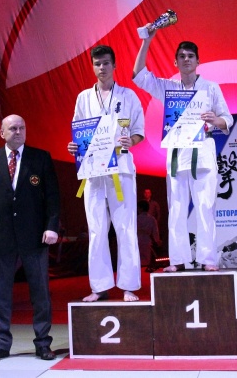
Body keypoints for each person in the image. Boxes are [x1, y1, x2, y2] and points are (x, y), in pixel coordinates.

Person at [133, 30, 233, 272]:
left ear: (198, 61)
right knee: (176, 209)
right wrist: (147, 40)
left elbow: (227, 119)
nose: (186, 59)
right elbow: (139, 75)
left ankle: (208, 259)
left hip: (203, 154)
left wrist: (215, 120)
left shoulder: (210, 88)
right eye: (182, 56)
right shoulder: (169, 88)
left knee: (205, 208)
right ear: (175, 62)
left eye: (190, 56)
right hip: (178, 155)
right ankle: (178, 260)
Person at [0, 114, 60, 363]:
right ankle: (1, 344)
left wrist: (52, 227)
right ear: (2, 133)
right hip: (0, 237)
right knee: (0, 294)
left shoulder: (40, 158)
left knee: (40, 293)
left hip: (35, 236)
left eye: (22, 127)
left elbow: (52, 197)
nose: (18, 132)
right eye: (13, 128)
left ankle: (43, 343)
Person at [67, 45, 144, 302]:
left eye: (106, 63)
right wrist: (74, 147)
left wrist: (131, 141)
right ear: (93, 66)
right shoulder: (83, 98)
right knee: (96, 229)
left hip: (121, 167)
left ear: (114, 65)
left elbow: (138, 131)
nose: (102, 68)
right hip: (93, 171)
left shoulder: (128, 96)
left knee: (126, 227)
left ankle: (129, 286)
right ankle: (99, 286)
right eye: (97, 63)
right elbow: (79, 132)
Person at [137, 200, 161, 266]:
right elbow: (155, 232)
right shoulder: (152, 219)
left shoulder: (136, 219)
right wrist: (157, 241)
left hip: (137, 241)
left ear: (141, 208)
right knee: (146, 260)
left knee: (137, 260)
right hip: (146, 241)